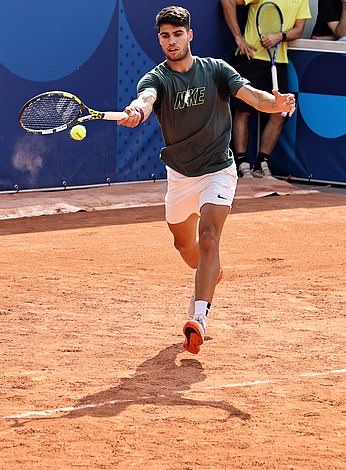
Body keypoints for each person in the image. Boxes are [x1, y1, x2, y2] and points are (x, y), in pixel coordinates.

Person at [118, 6, 295, 354]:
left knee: (209, 236)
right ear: (160, 39)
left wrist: (272, 105)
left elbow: (252, 96)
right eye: (165, 36)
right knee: (186, 247)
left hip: (218, 168)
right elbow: (146, 100)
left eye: (178, 34)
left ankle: (198, 318)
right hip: (180, 176)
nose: (172, 41)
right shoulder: (156, 79)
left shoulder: (215, 70)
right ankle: (209, 272)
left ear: (190, 35)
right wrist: (136, 110)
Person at [220, 0, 310, 178]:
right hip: (251, 57)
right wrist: (239, 38)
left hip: (279, 61)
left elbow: (299, 29)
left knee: (280, 112)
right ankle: (242, 163)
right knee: (243, 111)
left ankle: (262, 162)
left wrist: (279, 36)